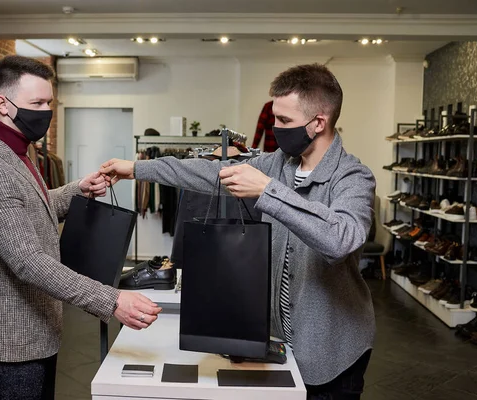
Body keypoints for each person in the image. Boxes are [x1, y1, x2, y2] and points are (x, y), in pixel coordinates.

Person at [101, 64, 376, 399]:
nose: (275, 129)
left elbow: (341, 239)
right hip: (277, 341)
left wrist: (267, 191)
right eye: (274, 118)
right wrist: (136, 168)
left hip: (333, 352)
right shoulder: (278, 164)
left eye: (285, 122)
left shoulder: (353, 177)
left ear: (318, 122)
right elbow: (210, 172)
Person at [0, 55, 161, 400]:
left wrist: (75, 190)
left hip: (37, 330)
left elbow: (28, 205)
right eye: (37, 103)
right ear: (3, 104)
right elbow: (28, 261)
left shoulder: (20, 151)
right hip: (8, 341)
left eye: (49, 101)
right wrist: (110, 301)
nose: (46, 111)